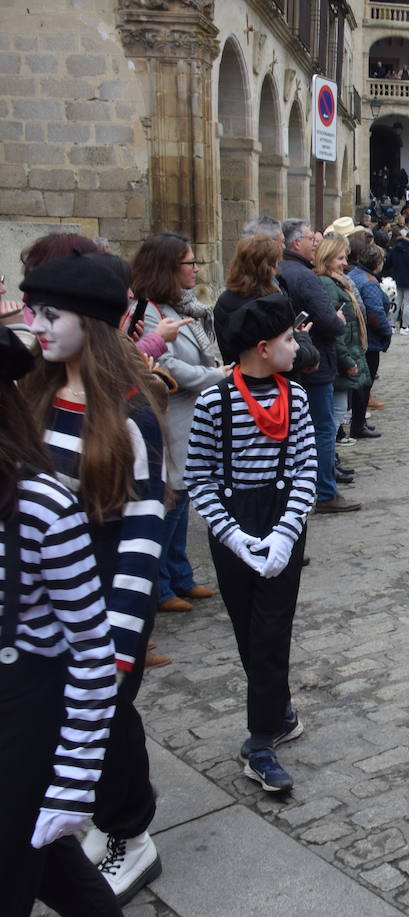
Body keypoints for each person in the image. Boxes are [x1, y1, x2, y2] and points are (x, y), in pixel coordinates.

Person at [19, 252, 168, 905]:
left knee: (107, 717)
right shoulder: (31, 394)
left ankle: (130, 833)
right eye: (32, 311)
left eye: (52, 313)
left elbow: (142, 536)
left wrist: (117, 641)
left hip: (103, 602)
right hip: (37, 606)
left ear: (94, 322)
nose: (37, 325)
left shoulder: (130, 417)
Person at [0, 323, 121, 917]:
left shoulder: (41, 505)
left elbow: (94, 655)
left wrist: (72, 783)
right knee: (53, 868)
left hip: (20, 728)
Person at [185, 294, 317, 793]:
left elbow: (307, 464)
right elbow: (199, 474)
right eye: (288, 339)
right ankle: (278, 712)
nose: (296, 346)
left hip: (283, 519)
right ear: (263, 348)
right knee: (247, 629)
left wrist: (286, 533)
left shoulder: (296, 397)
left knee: (270, 631)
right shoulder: (215, 401)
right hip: (234, 523)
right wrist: (232, 535)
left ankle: (259, 742)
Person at [132, 233, 229, 619]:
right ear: (168, 268)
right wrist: (213, 376)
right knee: (171, 498)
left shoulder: (177, 304)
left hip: (189, 413)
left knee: (184, 494)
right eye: (189, 263)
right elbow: (166, 365)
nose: (196, 269)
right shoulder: (149, 309)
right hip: (170, 412)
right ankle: (161, 585)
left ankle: (179, 574)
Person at [278, 219, 354, 513]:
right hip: (314, 360)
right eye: (311, 238)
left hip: (296, 359)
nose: (315, 243)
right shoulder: (305, 277)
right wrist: (339, 322)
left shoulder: (284, 272)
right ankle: (324, 491)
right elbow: (329, 322)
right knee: (322, 428)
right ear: (296, 243)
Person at [314, 235, 374, 447]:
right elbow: (335, 328)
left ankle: (330, 461)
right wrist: (348, 361)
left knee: (336, 414)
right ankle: (328, 463)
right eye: (340, 258)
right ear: (327, 257)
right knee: (334, 416)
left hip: (344, 353)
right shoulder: (328, 284)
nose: (345, 263)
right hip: (339, 358)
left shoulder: (336, 282)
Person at [346, 243, 393, 418]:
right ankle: (359, 418)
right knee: (366, 379)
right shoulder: (369, 282)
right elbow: (375, 314)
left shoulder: (354, 274)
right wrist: (386, 332)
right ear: (377, 262)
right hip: (369, 338)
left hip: (358, 334)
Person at [384, 229, 409, 337]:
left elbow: (388, 263)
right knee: (408, 304)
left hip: (397, 279)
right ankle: (405, 327)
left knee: (396, 303)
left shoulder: (395, 249)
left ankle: (391, 325)